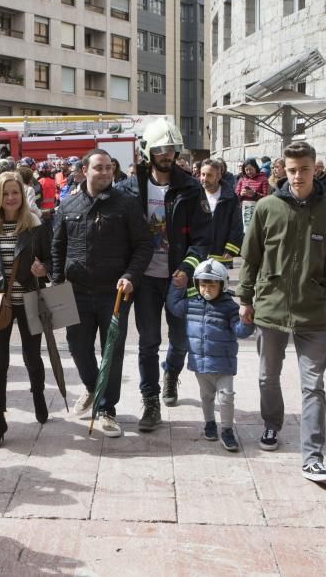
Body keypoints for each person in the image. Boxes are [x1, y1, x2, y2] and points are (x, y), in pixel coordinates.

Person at [237, 141, 326, 484]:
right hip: (270, 307)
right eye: (291, 170)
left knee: (313, 385)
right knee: (266, 377)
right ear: (282, 171)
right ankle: (272, 424)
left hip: (312, 310)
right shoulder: (267, 208)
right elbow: (251, 257)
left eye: (303, 169)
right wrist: (245, 298)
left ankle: (312, 456)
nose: (297, 176)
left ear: (315, 168)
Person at [116, 120, 209, 430]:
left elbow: (203, 238)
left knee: (181, 340)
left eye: (171, 149)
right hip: (144, 280)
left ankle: (171, 372)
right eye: (160, 150)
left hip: (178, 280)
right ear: (148, 151)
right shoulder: (129, 188)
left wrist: (187, 267)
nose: (167, 155)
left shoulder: (191, 188)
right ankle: (150, 400)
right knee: (148, 342)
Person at [52, 148, 152, 437]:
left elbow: (143, 245)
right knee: (78, 347)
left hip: (114, 292)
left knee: (112, 351)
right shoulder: (68, 205)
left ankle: (107, 409)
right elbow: (57, 247)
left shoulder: (127, 204)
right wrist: (57, 281)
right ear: (85, 170)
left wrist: (130, 275)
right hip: (76, 291)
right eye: (99, 168)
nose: (106, 172)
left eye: (109, 167)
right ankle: (91, 387)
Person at [0, 172, 53, 450]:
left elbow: (49, 258)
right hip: (0, 303)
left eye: (15, 192)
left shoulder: (35, 225)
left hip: (30, 299)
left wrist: (43, 269)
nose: (11, 198)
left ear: (22, 195)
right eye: (6, 193)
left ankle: (39, 395)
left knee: (33, 357)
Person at [167, 259, 255, 451]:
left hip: (223, 364)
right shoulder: (190, 304)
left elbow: (241, 331)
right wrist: (176, 286)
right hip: (200, 363)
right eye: (203, 284)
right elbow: (173, 306)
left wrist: (246, 321)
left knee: (226, 396)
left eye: (212, 285)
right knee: (206, 397)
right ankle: (209, 423)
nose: (207, 289)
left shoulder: (230, 307)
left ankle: (227, 430)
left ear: (222, 285)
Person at [235, 159, 270, 234]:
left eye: (250, 169)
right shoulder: (242, 179)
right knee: (244, 232)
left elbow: (267, 197)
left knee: (255, 232)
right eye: (246, 170)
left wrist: (254, 194)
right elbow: (235, 196)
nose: (249, 172)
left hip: (258, 209)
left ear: (256, 168)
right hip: (243, 210)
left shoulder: (263, 179)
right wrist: (241, 194)